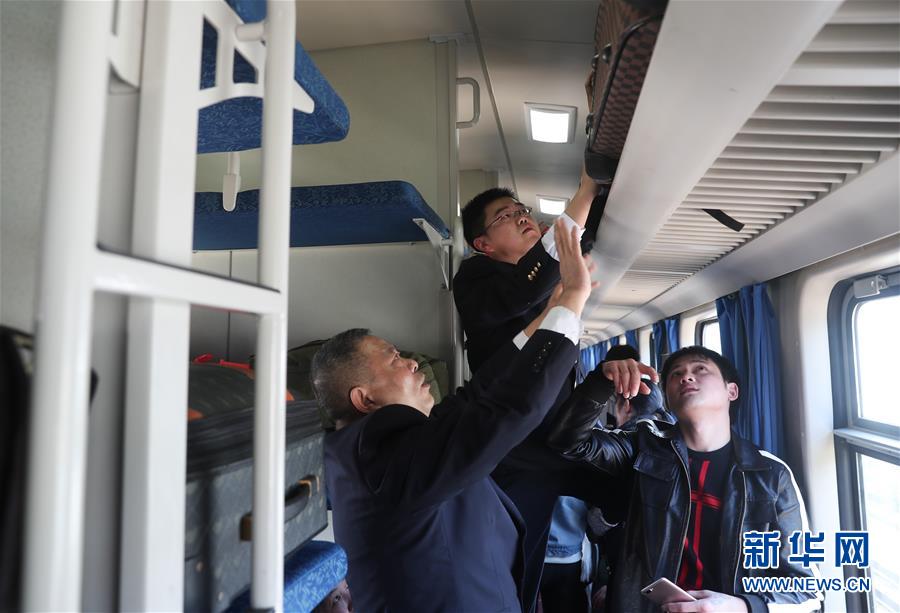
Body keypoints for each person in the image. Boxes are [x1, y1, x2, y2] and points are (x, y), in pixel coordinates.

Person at [314, 222, 627, 612]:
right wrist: (574, 300)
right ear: (364, 399)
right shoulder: (380, 456)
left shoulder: (382, 448)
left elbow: (477, 396)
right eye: (394, 359)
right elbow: (504, 412)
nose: (412, 363)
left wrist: (550, 314)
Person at [549, 346, 824, 612]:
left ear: (731, 391)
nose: (686, 377)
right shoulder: (641, 448)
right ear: (667, 398)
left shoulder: (770, 475)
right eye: (676, 374)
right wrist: (600, 382)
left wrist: (742, 606)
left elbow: (807, 589)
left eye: (700, 369)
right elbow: (568, 442)